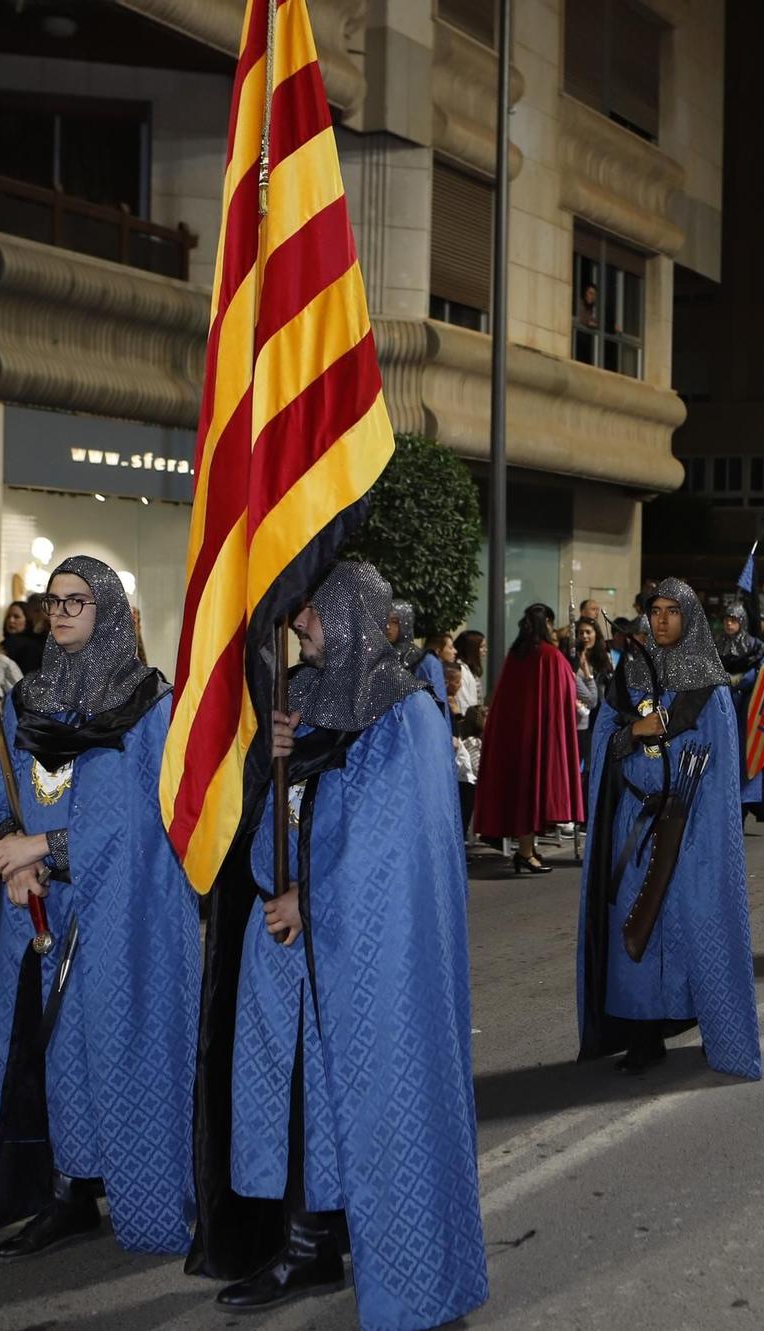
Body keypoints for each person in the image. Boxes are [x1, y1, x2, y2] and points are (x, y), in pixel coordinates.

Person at [190, 561, 488, 1321]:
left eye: (313, 612)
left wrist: (309, 899)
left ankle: (342, 1250)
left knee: (347, 1099)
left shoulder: (408, 713)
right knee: (292, 1097)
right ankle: (306, 1246)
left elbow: (389, 849)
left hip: (355, 953)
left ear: (354, 612)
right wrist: (279, 756)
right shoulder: (312, 703)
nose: (299, 625)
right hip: (286, 948)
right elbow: (284, 813)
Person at [0, 555, 199, 1260]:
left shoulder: (150, 703)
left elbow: (147, 822)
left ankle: (152, 1191)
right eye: (54, 600)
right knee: (60, 1054)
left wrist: (45, 847)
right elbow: (5, 798)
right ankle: (68, 1193)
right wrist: (10, 854)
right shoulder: (27, 699)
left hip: (127, 914)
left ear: (109, 611)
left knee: (124, 1048)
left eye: (78, 600)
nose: (62, 612)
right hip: (44, 910)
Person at [579, 578, 762, 1078]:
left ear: (690, 618)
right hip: (633, 821)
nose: (661, 620)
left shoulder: (710, 688)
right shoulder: (630, 675)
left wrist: (700, 832)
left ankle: (704, 1020)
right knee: (635, 923)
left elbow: (722, 772)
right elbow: (604, 745)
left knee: (689, 925)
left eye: (671, 612)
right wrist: (633, 731)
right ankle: (644, 1035)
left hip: (690, 824)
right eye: (654, 610)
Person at [473, 604, 584, 873]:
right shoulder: (550, 656)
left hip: (515, 737)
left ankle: (527, 849)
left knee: (523, 794)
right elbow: (564, 699)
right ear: (545, 623)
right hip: (539, 737)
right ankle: (525, 852)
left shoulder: (516, 655)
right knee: (532, 793)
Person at [716, 603, 764, 821]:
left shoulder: (756, 646)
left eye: (733, 620)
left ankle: (744, 804)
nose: (729, 624)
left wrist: (743, 680)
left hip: (749, 710)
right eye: (726, 620)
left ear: (741, 622)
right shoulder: (716, 644)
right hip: (722, 707)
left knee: (746, 758)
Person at [571, 616, 613, 775]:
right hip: (580, 716)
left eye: (588, 632)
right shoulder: (573, 659)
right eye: (580, 632)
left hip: (600, 714)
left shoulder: (603, 658)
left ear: (596, 634)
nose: (584, 636)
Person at [2, 599, 48, 675]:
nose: (11, 620)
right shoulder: (6, 643)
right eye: (8, 616)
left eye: (16, 617)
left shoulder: (33, 647)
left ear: (27, 619)